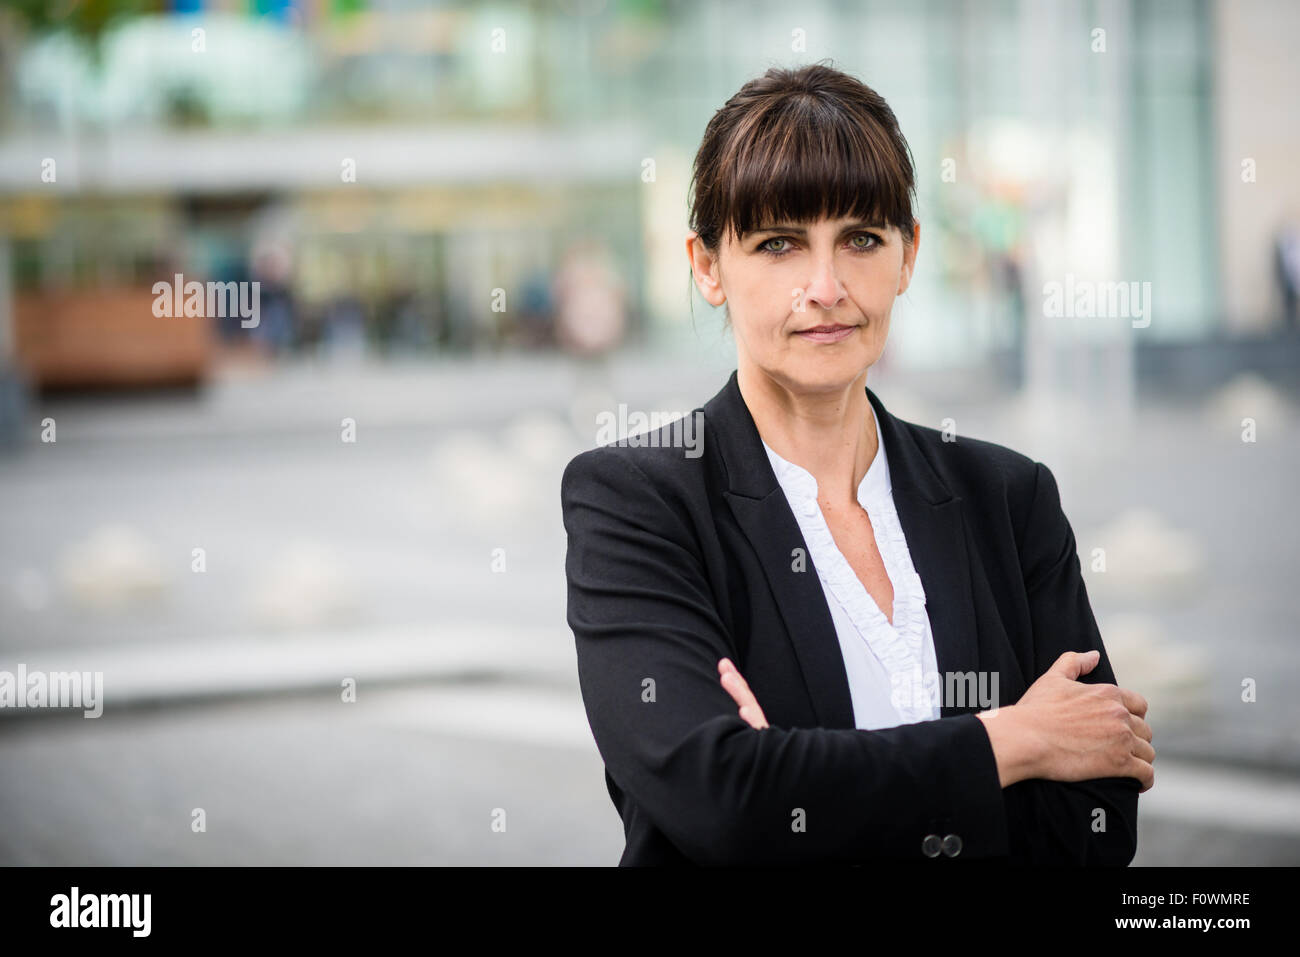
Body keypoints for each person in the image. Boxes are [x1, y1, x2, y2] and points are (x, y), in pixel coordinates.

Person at [560, 62, 1154, 867]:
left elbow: (1095, 823)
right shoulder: (638, 503)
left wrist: (803, 781)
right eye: (778, 243)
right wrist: (1012, 740)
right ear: (706, 266)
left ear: (909, 255)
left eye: (862, 239)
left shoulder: (1010, 499)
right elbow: (726, 799)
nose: (826, 286)